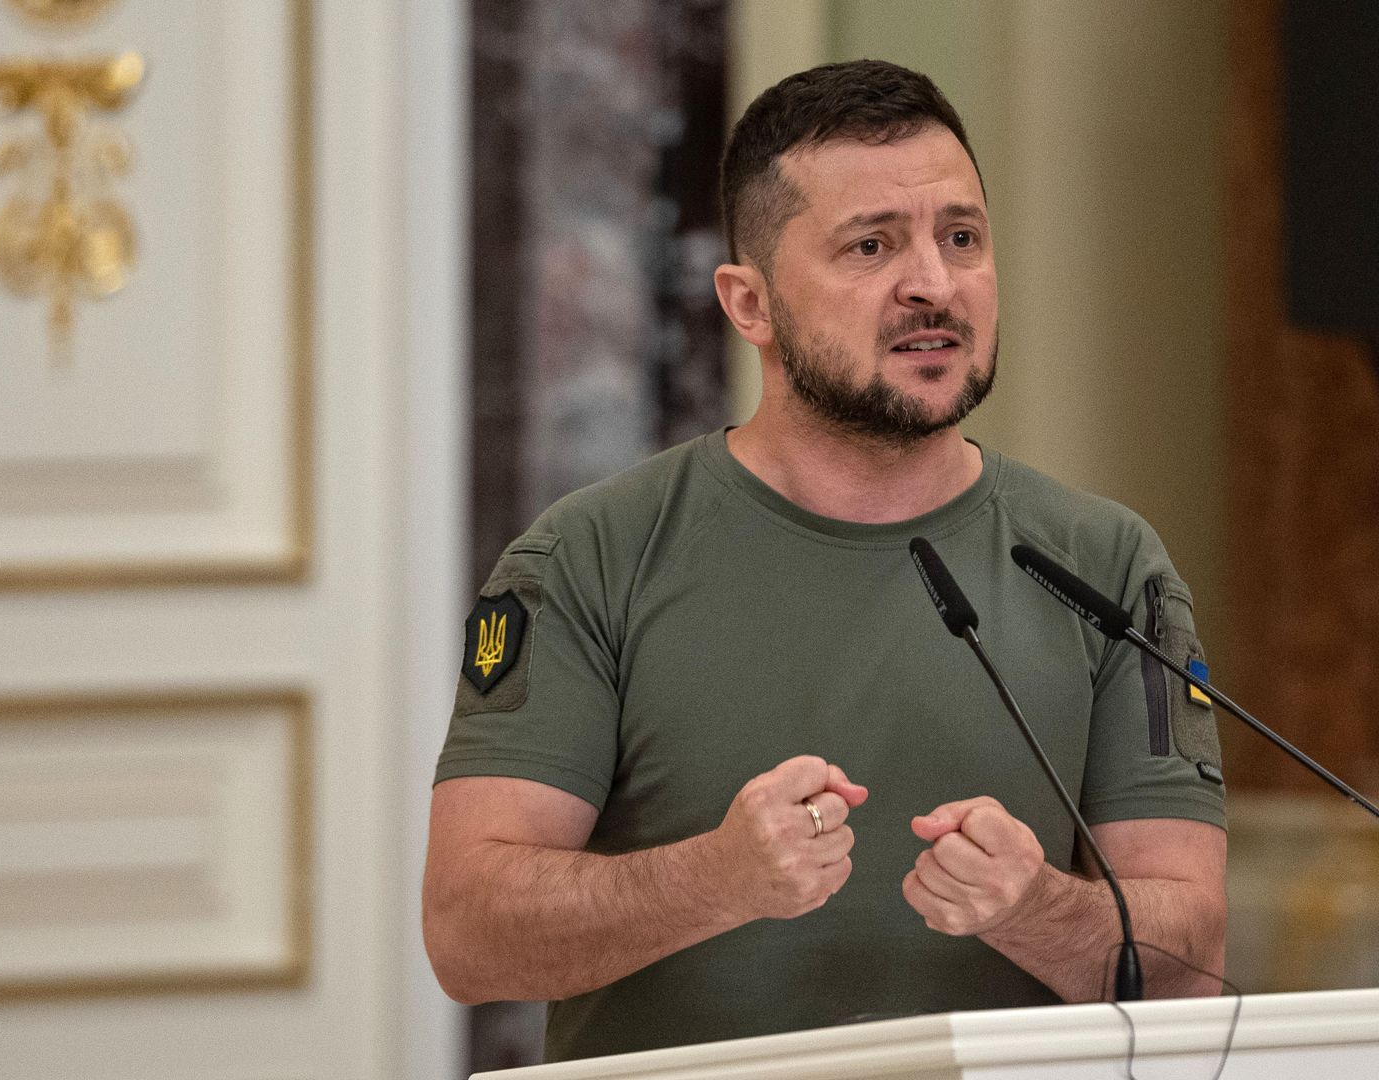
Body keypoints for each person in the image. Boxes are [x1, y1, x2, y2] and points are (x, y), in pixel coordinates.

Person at [423, 59, 1228, 1062]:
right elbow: (468, 936)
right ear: (749, 304)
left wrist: (1035, 909)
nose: (933, 284)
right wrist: (713, 879)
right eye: (872, 245)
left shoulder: (1106, 566)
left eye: (962, 237)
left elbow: (1193, 966)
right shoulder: (587, 558)